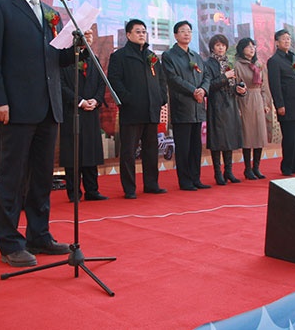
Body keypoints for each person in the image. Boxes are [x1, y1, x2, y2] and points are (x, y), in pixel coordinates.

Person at [0, 0, 93, 267]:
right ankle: (10, 243)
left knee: (42, 178)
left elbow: (57, 59)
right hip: (14, 108)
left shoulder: (50, 13)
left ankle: (39, 236)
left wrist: (78, 45)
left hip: (48, 108)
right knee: (12, 177)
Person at [107, 19, 168, 199]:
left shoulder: (151, 56)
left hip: (151, 110)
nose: (142, 34)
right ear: (128, 35)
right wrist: (128, 99)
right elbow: (114, 81)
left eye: (143, 31)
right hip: (131, 111)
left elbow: (161, 80)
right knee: (128, 151)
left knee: (151, 150)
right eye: (138, 31)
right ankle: (129, 188)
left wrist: (161, 98)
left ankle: (151, 184)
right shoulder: (120, 56)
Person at [162, 20, 211, 191]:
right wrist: (193, 91)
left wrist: (203, 90)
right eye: (183, 31)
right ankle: (185, 180)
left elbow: (206, 76)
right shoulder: (169, 56)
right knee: (183, 147)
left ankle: (196, 178)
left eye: (189, 31)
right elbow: (172, 79)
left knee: (196, 146)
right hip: (182, 106)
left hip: (197, 107)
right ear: (175, 35)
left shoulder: (196, 56)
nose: (186, 34)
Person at [59, 52, 108, 202]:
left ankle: (92, 190)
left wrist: (97, 99)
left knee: (90, 151)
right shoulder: (64, 59)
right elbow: (61, 85)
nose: (88, 40)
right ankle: (74, 192)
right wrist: (79, 101)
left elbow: (101, 82)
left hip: (91, 112)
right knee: (73, 153)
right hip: (71, 112)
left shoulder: (93, 58)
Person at [203, 34, 246, 185]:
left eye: (223, 45)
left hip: (230, 104)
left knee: (229, 139)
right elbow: (209, 85)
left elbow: (232, 84)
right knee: (217, 140)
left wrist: (239, 90)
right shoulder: (208, 64)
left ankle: (228, 171)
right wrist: (225, 77)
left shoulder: (229, 62)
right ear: (212, 48)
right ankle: (217, 173)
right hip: (217, 105)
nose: (221, 48)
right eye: (217, 45)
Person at [267, 29, 295, 176]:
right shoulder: (274, 61)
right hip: (287, 105)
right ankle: (287, 166)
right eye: (284, 39)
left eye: (289, 39)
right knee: (290, 138)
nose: (287, 41)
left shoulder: (293, 58)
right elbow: (275, 85)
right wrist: (279, 105)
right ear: (277, 42)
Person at [234, 37, 271, 180]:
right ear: (241, 49)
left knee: (259, 134)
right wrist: (238, 105)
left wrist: (265, 103)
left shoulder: (259, 64)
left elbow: (264, 85)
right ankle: (247, 168)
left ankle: (257, 167)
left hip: (258, 99)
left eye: (253, 46)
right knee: (248, 134)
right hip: (245, 100)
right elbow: (236, 85)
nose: (251, 49)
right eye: (248, 46)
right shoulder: (238, 65)